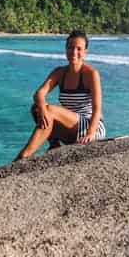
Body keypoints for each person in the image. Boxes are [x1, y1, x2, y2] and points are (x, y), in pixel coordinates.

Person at [15, 30, 105, 160]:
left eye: (79, 49)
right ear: (65, 49)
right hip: (70, 127)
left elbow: (97, 109)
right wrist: (42, 108)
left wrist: (90, 133)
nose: (74, 52)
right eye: (70, 47)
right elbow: (39, 94)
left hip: (91, 126)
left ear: (85, 52)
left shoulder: (91, 74)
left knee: (49, 109)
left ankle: (24, 156)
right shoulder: (59, 73)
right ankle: (54, 145)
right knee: (37, 108)